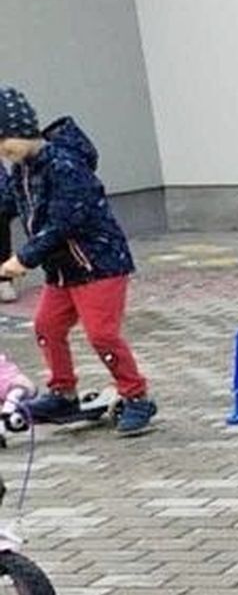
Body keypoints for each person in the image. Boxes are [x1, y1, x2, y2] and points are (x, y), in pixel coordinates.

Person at [0, 87, 158, 437]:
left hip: (98, 265)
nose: (3, 151)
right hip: (62, 271)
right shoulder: (21, 170)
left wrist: (22, 259)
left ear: (22, 129)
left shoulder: (65, 166)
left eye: (4, 140)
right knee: (47, 327)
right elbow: (7, 203)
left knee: (102, 335)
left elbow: (64, 223)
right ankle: (63, 392)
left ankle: (136, 396)